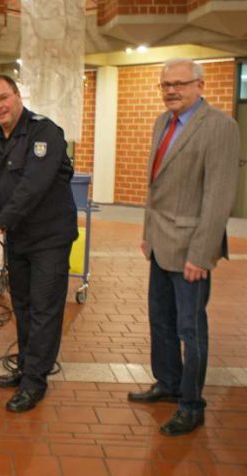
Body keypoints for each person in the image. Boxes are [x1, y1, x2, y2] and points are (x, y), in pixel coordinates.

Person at [128, 59, 241, 436]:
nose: (171, 91)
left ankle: (191, 403)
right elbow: (155, 186)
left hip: (191, 248)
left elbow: (219, 196)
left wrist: (201, 253)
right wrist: (147, 232)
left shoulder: (220, 127)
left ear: (200, 84)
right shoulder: (163, 122)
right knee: (160, 321)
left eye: (179, 84)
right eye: (165, 85)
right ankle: (168, 383)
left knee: (190, 329)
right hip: (160, 243)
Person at [0, 74, 77, 413]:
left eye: (4, 97)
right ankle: (26, 367)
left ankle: (36, 382)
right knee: (23, 306)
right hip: (18, 240)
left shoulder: (44, 132)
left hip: (49, 238)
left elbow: (33, 185)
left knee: (45, 308)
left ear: (17, 96)